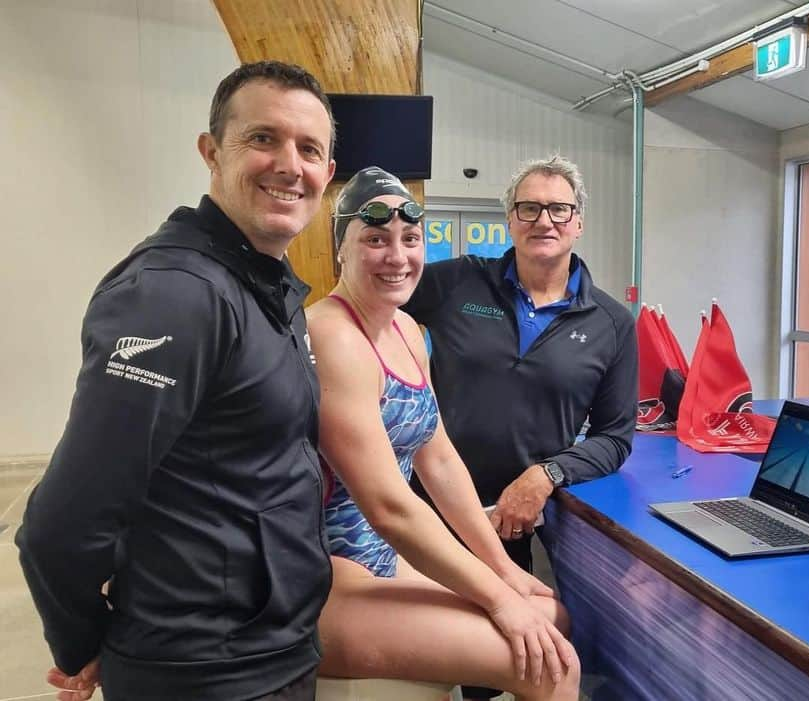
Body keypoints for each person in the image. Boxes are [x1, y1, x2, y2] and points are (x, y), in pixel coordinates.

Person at [16, 61, 337, 701]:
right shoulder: (174, 296)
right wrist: (84, 642)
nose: (289, 164)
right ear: (212, 152)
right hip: (204, 672)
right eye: (263, 138)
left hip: (271, 649)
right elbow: (62, 523)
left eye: (309, 149)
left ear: (327, 174)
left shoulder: (269, 289)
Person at [308, 166, 580, 699]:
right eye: (375, 240)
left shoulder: (407, 330)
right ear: (340, 248)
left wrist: (503, 569)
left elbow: (439, 461)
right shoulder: (332, 336)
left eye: (411, 239)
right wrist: (499, 599)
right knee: (551, 666)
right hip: (328, 578)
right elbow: (390, 506)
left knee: (550, 612)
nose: (398, 256)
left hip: (384, 560)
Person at [402, 154, 637, 700]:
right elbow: (375, 302)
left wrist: (547, 474)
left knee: (492, 666)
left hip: (511, 522)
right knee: (419, 671)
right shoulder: (458, 281)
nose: (544, 221)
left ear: (578, 222)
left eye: (559, 209)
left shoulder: (610, 323)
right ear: (509, 218)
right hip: (425, 508)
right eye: (528, 208)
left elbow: (616, 436)